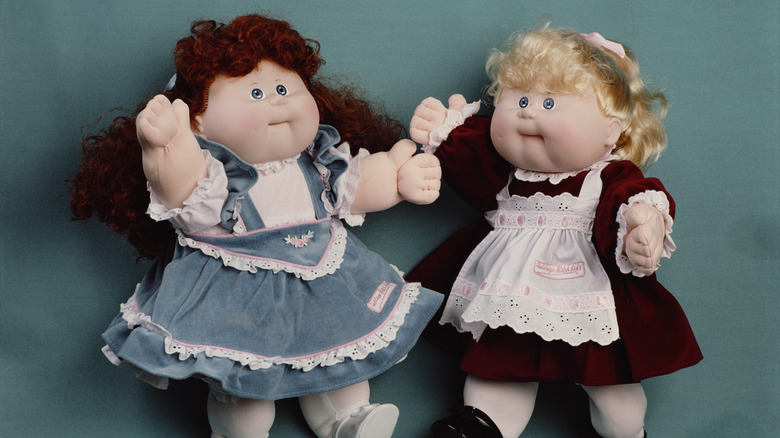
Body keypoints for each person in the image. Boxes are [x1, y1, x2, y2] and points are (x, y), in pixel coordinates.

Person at [70, 14, 443, 438]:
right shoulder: (213, 177)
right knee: (244, 381)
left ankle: (348, 420)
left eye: (285, 88)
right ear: (198, 122)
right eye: (256, 93)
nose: (277, 101)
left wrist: (396, 177)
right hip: (238, 294)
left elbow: (355, 187)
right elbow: (186, 201)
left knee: (338, 354)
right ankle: (238, 433)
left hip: (324, 281)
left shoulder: (318, 159)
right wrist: (167, 150)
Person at [408, 26, 701, 438]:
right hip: (510, 298)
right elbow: (468, 164)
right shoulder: (507, 175)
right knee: (499, 364)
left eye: (549, 102)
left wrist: (643, 223)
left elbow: (634, 196)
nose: (528, 112)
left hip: (588, 298)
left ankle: (626, 432)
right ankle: (483, 425)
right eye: (521, 99)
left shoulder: (608, 176)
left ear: (611, 131)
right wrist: (443, 130)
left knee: (616, 399)